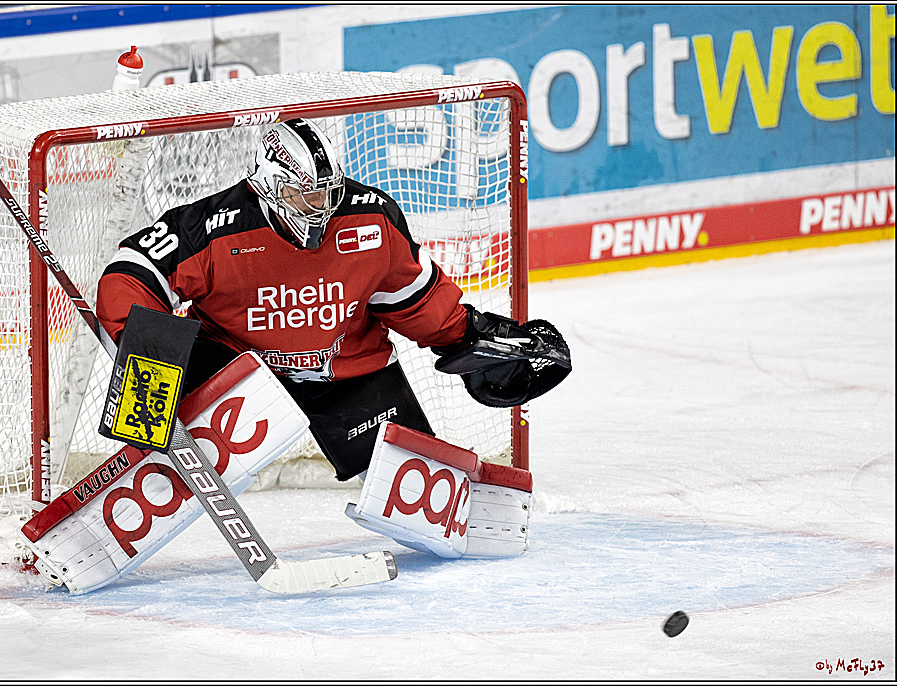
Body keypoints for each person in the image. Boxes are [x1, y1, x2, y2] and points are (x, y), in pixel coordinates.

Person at [96, 118, 568, 483]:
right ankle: (133, 497)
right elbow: (130, 275)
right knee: (161, 465)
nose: (318, 207)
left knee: (420, 488)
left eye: (325, 193)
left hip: (345, 369)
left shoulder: (370, 219)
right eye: (302, 196)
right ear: (266, 187)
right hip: (236, 373)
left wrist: (466, 336)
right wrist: (150, 359)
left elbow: (413, 297)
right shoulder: (213, 226)